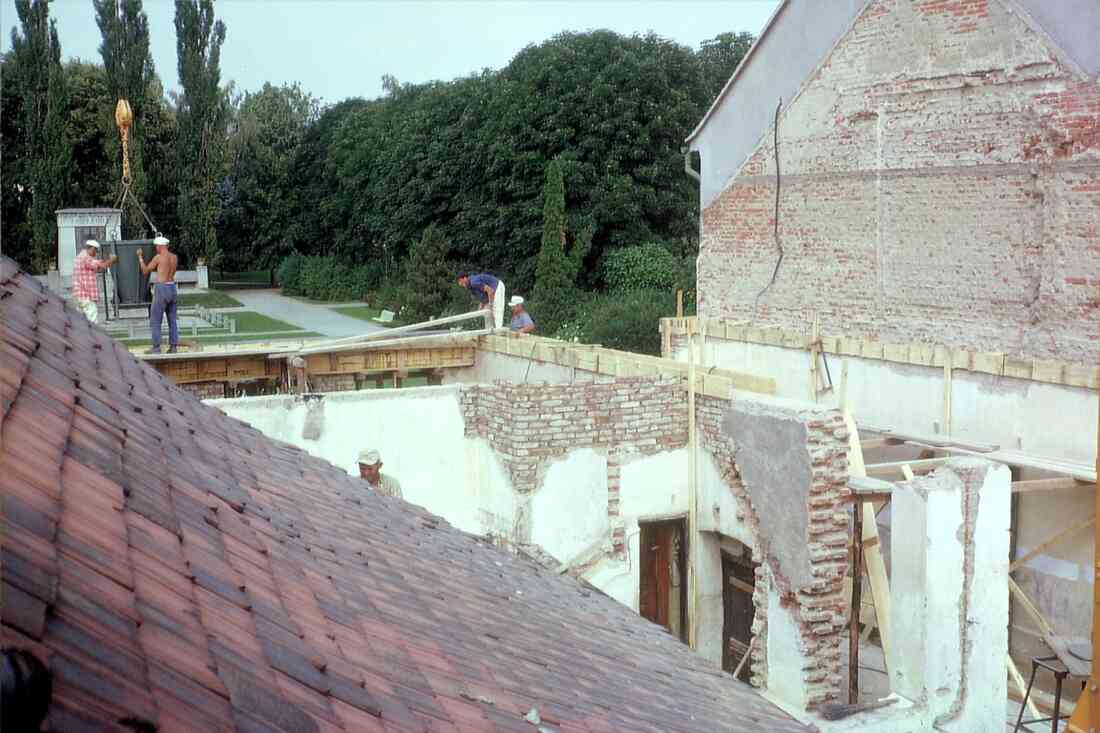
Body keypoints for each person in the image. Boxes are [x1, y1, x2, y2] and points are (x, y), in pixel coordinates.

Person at [137, 235, 179, 354]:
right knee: (172, 320)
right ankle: (173, 347)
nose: (156, 248)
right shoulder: (174, 257)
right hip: (172, 287)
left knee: (155, 320)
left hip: (161, 288)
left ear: (160, 246)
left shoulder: (159, 257)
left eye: (156, 246)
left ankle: (156, 347)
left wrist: (140, 257)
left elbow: (145, 271)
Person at [71, 239, 118, 323]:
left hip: (80, 294)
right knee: (92, 318)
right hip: (85, 294)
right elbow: (103, 266)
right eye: (96, 251)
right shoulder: (85, 257)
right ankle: (93, 336)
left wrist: (109, 262)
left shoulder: (82, 256)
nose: (96, 254)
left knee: (81, 321)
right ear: (92, 248)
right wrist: (112, 260)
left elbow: (99, 266)